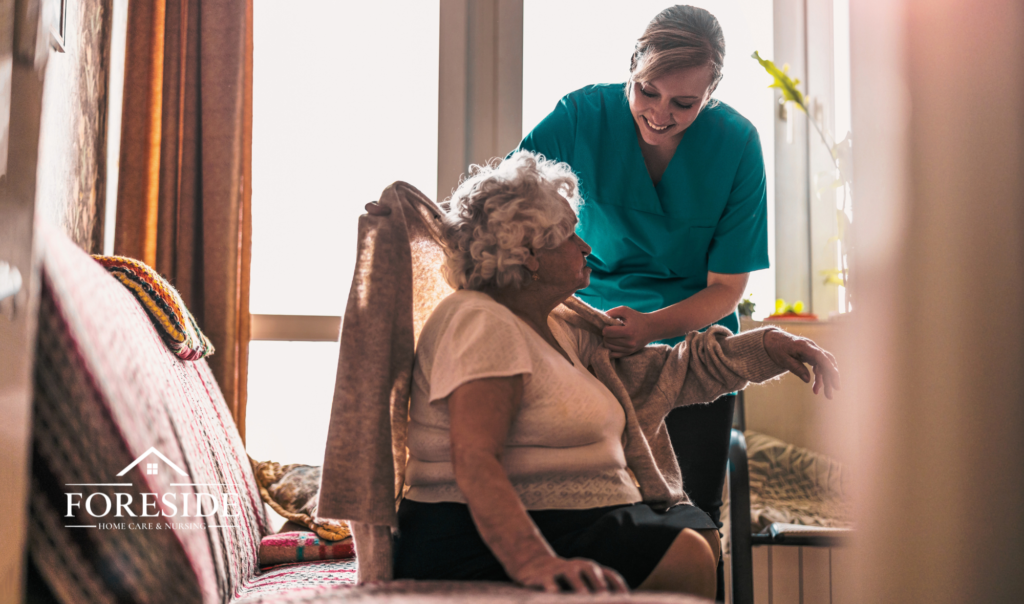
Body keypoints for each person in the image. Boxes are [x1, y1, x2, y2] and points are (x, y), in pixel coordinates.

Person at [392, 151, 839, 598]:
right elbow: (474, 458)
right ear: (528, 254)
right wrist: (533, 560)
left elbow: (672, 372)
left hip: (573, 518)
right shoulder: (480, 320)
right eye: (569, 234)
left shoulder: (564, 328)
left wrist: (771, 346)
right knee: (685, 552)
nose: (585, 247)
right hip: (474, 536)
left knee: (694, 536)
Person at [514, 6, 764, 564]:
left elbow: (726, 288)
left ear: (711, 92)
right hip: (590, 336)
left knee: (694, 517)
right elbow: (506, 201)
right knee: (593, 513)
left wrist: (653, 327)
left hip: (693, 341)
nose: (660, 114)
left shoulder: (738, 145)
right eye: (647, 91)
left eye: (685, 103)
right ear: (631, 67)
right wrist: (417, 220)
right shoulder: (581, 115)